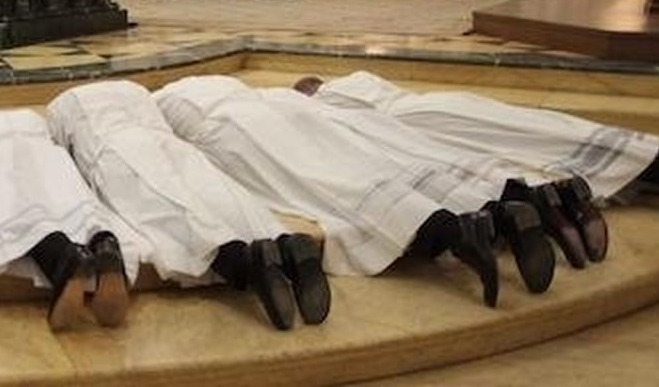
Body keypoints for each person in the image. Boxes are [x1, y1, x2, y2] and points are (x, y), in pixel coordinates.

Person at [153, 76, 502, 307]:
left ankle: (448, 231)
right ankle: (483, 212)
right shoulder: (227, 84)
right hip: (269, 112)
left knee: (323, 188)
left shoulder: (159, 102)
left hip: (231, 131)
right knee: (346, 167)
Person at [303, 70, 659, 267]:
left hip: (419, 119)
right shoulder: (360, 79)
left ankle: (564, 196)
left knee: (518, 139)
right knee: (538, 130)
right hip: (442, 105)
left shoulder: (329, 100)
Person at [47, 82, 327, 330]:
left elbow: (63, 159)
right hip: (163, 139)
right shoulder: (137, 90)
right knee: (218, 192)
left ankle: (241, 261)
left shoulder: (60, 106)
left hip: (114, 148)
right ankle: (284, 243)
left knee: (168, 209)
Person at [0, 109, 138, 332]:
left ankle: (65, 257)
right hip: (47, 155)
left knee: (17, 214)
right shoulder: (33, 119)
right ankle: (104, 243)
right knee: (76, 204)